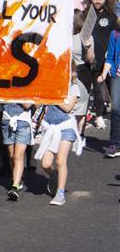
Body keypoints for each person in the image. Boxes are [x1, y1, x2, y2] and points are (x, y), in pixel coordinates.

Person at [35, 76, 83, 206]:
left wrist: (54, 96)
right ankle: (55, 175)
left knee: (60, 161)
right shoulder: (49, 86)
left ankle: (60, 193)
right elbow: (37, 104)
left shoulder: (74, 88)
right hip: (50, 127)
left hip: (66, 127)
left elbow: (68, 108)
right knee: (45, 164)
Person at [88, 0, 116, 129]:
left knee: (113, 89)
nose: (98, 1)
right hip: (92, 58)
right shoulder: (86, 15)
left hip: (109, 59)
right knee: (97, 90)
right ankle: (98, 116)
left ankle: (115, 115)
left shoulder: (111, 16)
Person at [1, 103, 34, 200]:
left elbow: (27, 105)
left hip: (23, 121)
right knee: (11, 156)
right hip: (7, 119)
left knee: (17, 156)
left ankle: (15, 186)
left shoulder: (28, 87)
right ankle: (16, 180)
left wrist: (15, 95)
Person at [98, 25, 120, 157]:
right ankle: (116, 145)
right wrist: (104, 73)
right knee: (116, 111)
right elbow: (110, 57)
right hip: (117, 78)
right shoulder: (115, 34)